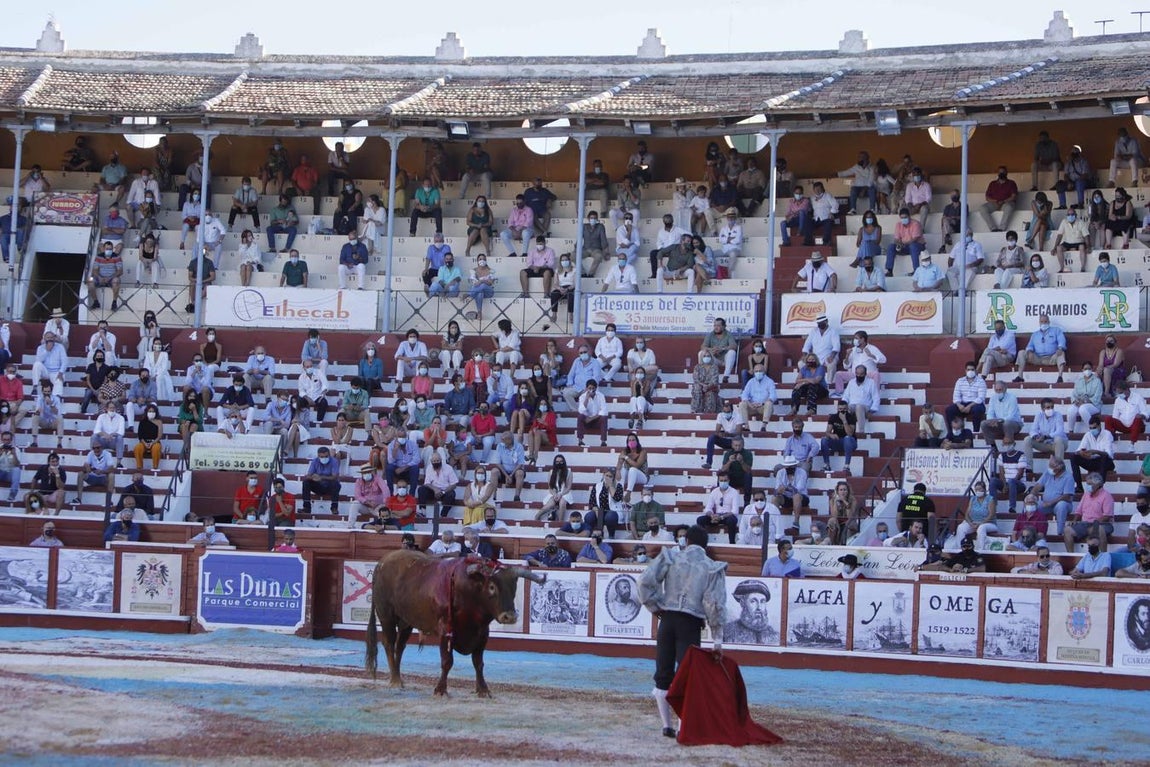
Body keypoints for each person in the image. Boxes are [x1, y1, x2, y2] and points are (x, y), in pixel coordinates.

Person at [638, 524, 727, 738]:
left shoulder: (671, 557)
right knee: (686, 676)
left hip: (667, 620)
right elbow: (714, 604)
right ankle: (682, 727)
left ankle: (666, 725)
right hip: (690, 624)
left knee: (663, 673)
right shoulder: (712, 567)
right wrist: (717, 640)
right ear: (706, 545)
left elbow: (644, 581)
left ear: (686, 541)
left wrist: (654, 606)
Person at [1029, 458, 1076, 536]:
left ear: (1059, 467)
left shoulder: (1068, 477)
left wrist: (1051, 503)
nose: (1049, 468)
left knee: (1062, 506)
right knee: (1030, 504)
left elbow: (1067, 496)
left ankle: (1060, 533)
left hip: (1062, 504)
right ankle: (1029, 531)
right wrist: (1031, 496)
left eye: (1051, 466)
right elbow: (1038, 486)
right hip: (1046, 503)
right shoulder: (1048, 473)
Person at [820, 399, 858, 475]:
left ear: (847, 409)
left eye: (844, 409)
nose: (842, 411)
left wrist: (844, 420)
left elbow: (850, 433)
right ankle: (826, 464)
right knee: (824, 440)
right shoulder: (833, 417)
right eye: (840, 409)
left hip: (850, 442)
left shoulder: (851, 417)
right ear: (837, 409)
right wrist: (831, 435)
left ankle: (846, 466)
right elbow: (827, 432)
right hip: (837, 441)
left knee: (847, 438)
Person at [301, 446, 340, 516]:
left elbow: (334, 476)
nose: (324, 458)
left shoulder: (334, 461)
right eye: (322, 457)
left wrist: (321, 477)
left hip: (329, 486)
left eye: (326, 456)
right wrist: (313, 478)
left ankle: (334, 508)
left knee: (336, 484)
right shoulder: (315, 461)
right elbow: (308, 475)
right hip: (318, 486)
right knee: (306, 482)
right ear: (318, 456)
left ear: (329, 455)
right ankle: (306, 507)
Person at [1051, 205, 1090, 273]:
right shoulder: (1064, 222)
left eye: (1072, 214)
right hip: (1067, 243)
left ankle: (1083, 267)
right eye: (1069, 214)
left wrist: (1088, 246)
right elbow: (1059, 236)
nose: (1070, 216)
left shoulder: (1080, 222)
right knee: (1058, 248)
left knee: (1082, 247)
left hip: (1079, 242)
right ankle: (1062, 268)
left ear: (1076, 215)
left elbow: (1086, 235)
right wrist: (1054, 248)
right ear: (1067, 215)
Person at [774, 456, 810, 525]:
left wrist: (785, 488)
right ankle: (774, 521)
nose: (789, 469)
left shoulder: (802, 472)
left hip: (801, 498)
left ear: (795, 466)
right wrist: (778, 491)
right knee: (775, 498)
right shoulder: (780, 473)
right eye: (787, 467)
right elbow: (776, 490)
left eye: (791, 467)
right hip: (786, 498)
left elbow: (798, 490)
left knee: (796, 496)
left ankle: (796, 521)